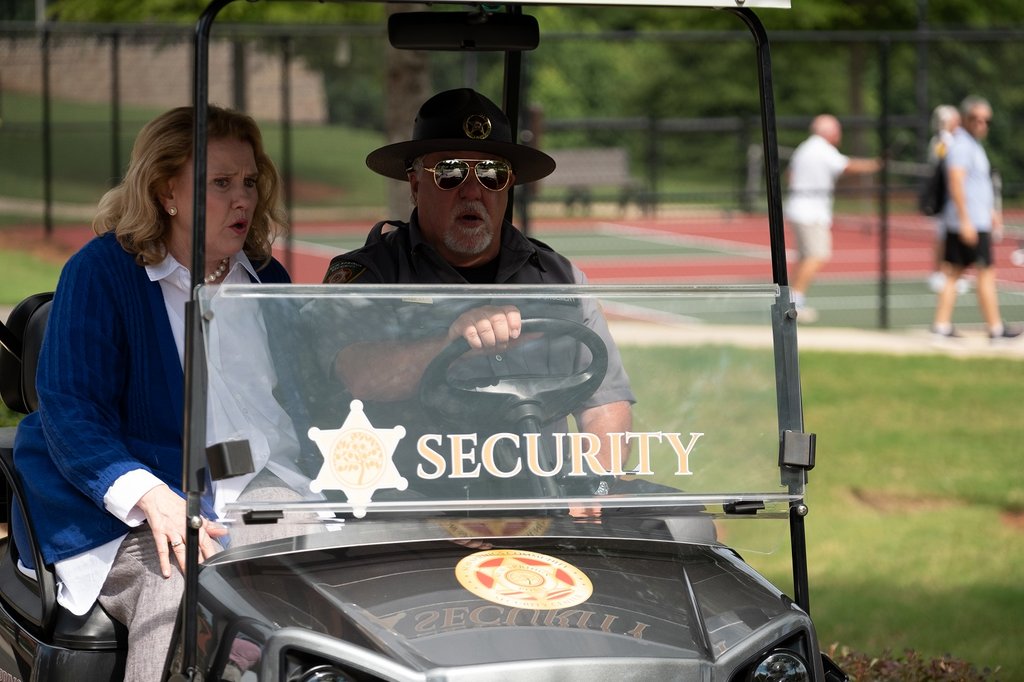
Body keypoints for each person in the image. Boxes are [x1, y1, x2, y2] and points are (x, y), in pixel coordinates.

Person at [11, 105, 314, 681]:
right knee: (182, 584)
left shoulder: (264, 278)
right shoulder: (102, 272)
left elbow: (293, 407)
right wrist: (153, 497)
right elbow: (72, 412)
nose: (242, 199)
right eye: (219, 183)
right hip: (123, 505)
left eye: (248, 182)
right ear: (166, 191)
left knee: (343, 571)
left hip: (251, 489)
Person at [309, 88, 634, 497]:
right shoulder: (368, 275)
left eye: (491, 174)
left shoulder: (559, 279)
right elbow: (358, 376)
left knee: (689, 528)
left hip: (543, 499)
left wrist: (596, 484)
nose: (472, 190)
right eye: (450, 172)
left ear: (508, 185)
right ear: (414, 184)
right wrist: (450, 342)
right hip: (413, 504)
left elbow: (605, 402)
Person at [931, 96, 1022, 343]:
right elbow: (956, 183)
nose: (981, 124)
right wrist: (966, 220)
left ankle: (941, 326)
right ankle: (995, 329)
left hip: (976, 219)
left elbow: (978, 185)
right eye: (976, 119)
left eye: (986, 120)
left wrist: (991, 212)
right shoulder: (961, 145)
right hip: (967, 221)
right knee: (985, 273)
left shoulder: (973, 145)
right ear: (965, 119)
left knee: (955, 273)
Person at [783, 114, 883, 322]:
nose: (839, 135)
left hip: (800, 209)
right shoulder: (821, 149)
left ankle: (791, 299)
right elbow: (847, 166)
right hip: (810, 212)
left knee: (805, 256)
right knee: (817, 255)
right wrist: (875, 164)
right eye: (837, 130)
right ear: (828, 132)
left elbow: (789, 175)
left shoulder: (805, 147)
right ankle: (796, 301)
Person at [925, 104, 968, 294]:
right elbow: (942, 165)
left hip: (959, 196)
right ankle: (939, 273)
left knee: (958, 238)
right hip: (946, 198)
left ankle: (955, 273)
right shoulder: (941, 141)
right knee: (943, 237)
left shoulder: (960, 140)